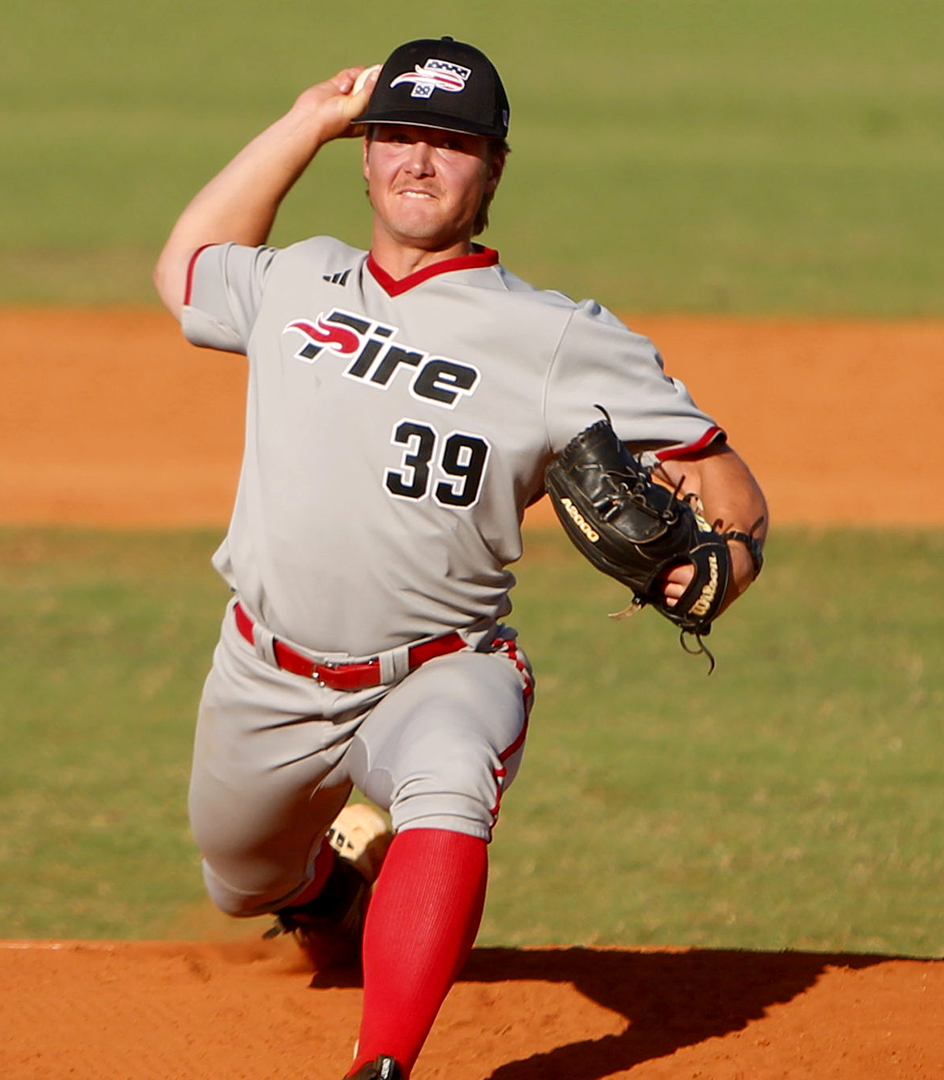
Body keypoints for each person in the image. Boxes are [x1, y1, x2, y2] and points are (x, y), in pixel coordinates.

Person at [151, 36, 767, 1080]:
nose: (419, 163)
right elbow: (184, 274)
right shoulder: (298, 280)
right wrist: (305, 119)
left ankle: (382, 1063)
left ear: (493, 169)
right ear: (364, 152)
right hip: (265, 671)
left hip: (442, 665)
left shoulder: (560, 337)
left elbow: (719, 471)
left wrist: (733, 558)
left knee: (449, 779)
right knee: (240, 879)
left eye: (451, 143)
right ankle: (319, 890)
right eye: (396, 137)